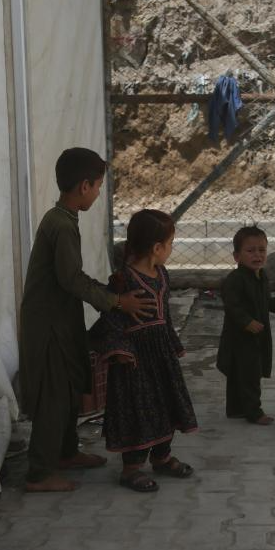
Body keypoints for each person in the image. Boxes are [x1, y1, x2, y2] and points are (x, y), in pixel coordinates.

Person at [19, 147, 155, 493]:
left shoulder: (63, 219)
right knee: (54, 395)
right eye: (97, 187)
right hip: (47, 327)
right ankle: (39, 473)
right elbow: (71, 279)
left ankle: (65, 452)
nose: (97, 193)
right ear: (84, 186)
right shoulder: (61, 225)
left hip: (61, 322)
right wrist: (116, 302)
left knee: (67, 389)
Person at [90, 209, 198, 492]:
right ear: (157, 248)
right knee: (138, 410)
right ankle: (131, 469)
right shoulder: (123, 281)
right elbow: (110, 319)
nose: (172, 249)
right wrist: (120, 351)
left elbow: (165, 315)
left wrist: (173, 344)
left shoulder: (162, 275)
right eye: (171, 243)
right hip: (134, 362)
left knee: (165, 404)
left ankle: (162, 457)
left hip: (161, 356)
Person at [217, 226, 275, 425]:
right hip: (241, 338)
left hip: (257, 335)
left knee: (244, 373)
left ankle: (237, 409)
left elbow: (265, 300)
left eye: (262, 250)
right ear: (237, 256)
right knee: (249, 375)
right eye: (251, 250)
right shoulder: (235, 280)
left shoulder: (261, 277)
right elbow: (232, 306)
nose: (257, 255)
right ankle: (254, 412)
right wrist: (247, 322)